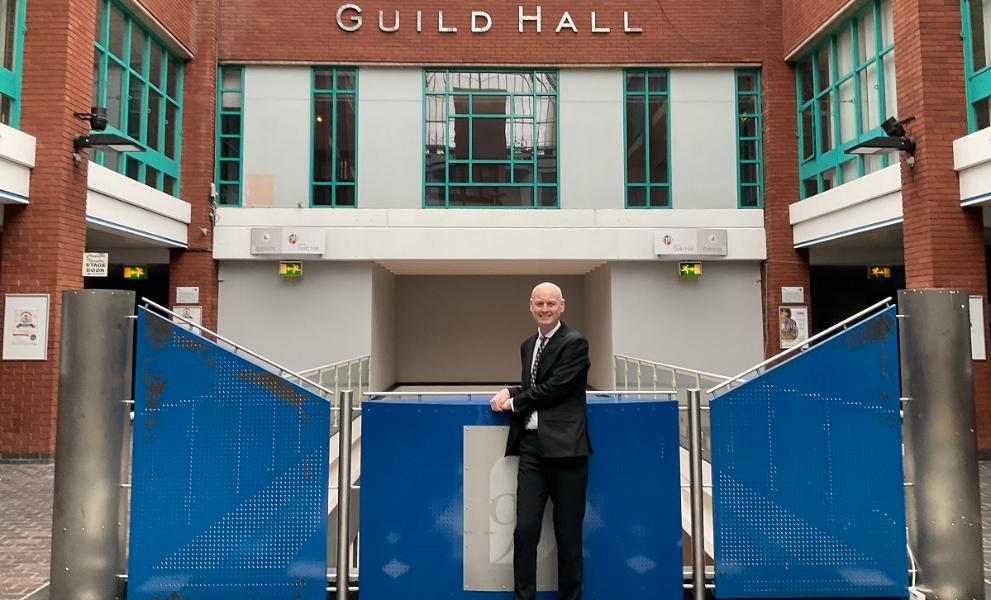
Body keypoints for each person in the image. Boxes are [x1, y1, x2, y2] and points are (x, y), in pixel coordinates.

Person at [490, 281, 591, 600]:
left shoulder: (575, 342)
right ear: (530, 306)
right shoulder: (527, 345)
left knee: (568, 536)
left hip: (566, 452)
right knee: (524, 531)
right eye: (539, 304)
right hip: (532, 450)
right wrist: (511, 390)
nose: (544, 309)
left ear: (562, 305)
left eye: (550, 304)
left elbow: (556, 388)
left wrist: (516, 402)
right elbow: (537, 384)